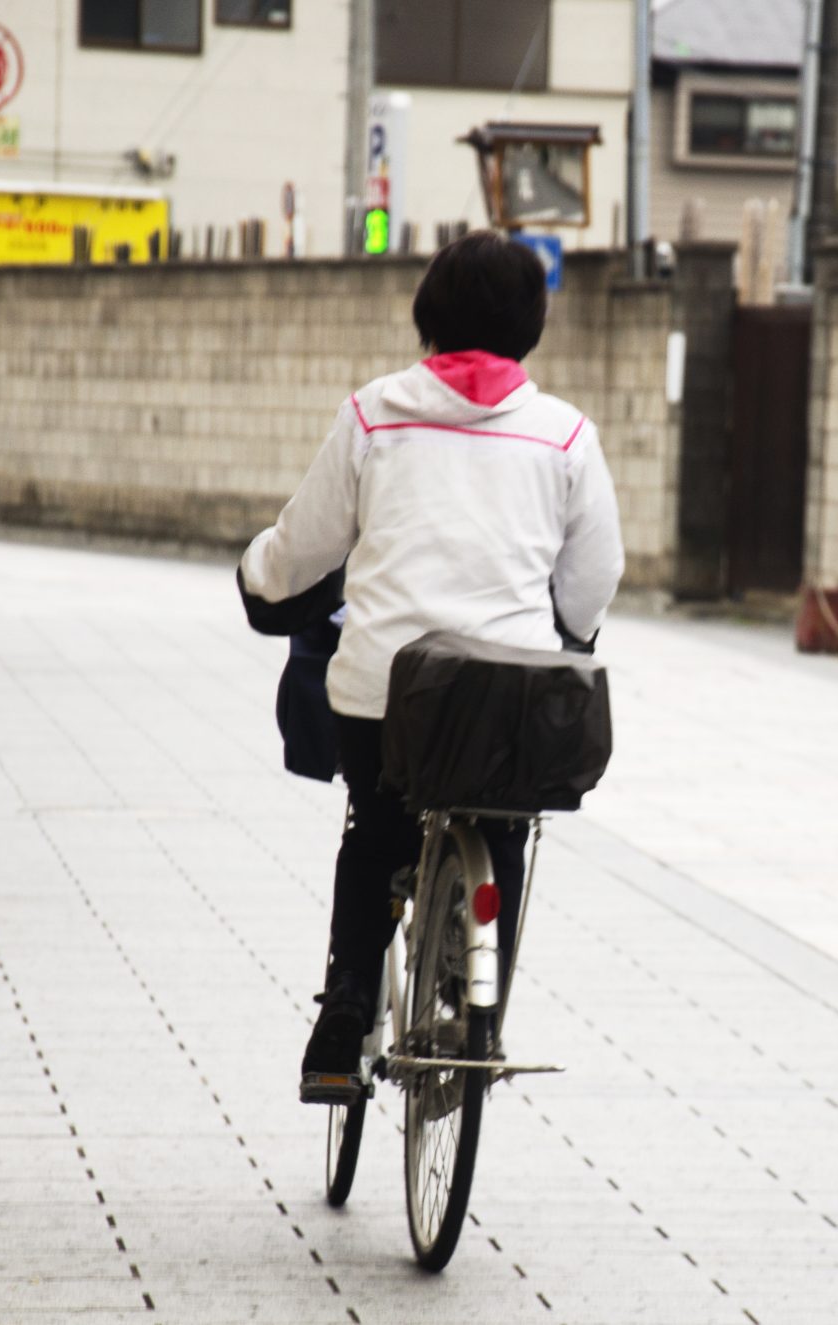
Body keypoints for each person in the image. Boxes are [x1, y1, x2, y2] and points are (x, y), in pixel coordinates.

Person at [237, 232, 624, 1098]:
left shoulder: (375, 414)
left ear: (429, 316)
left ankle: (343, 1010)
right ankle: (476, 1004)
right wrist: (570, 636)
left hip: (386, 691)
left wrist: (258, 578)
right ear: (532, 323)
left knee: (374, 835)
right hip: (510, 697)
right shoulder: (565, 437)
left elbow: (304, 547)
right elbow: (594, 578)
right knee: (503, 827)